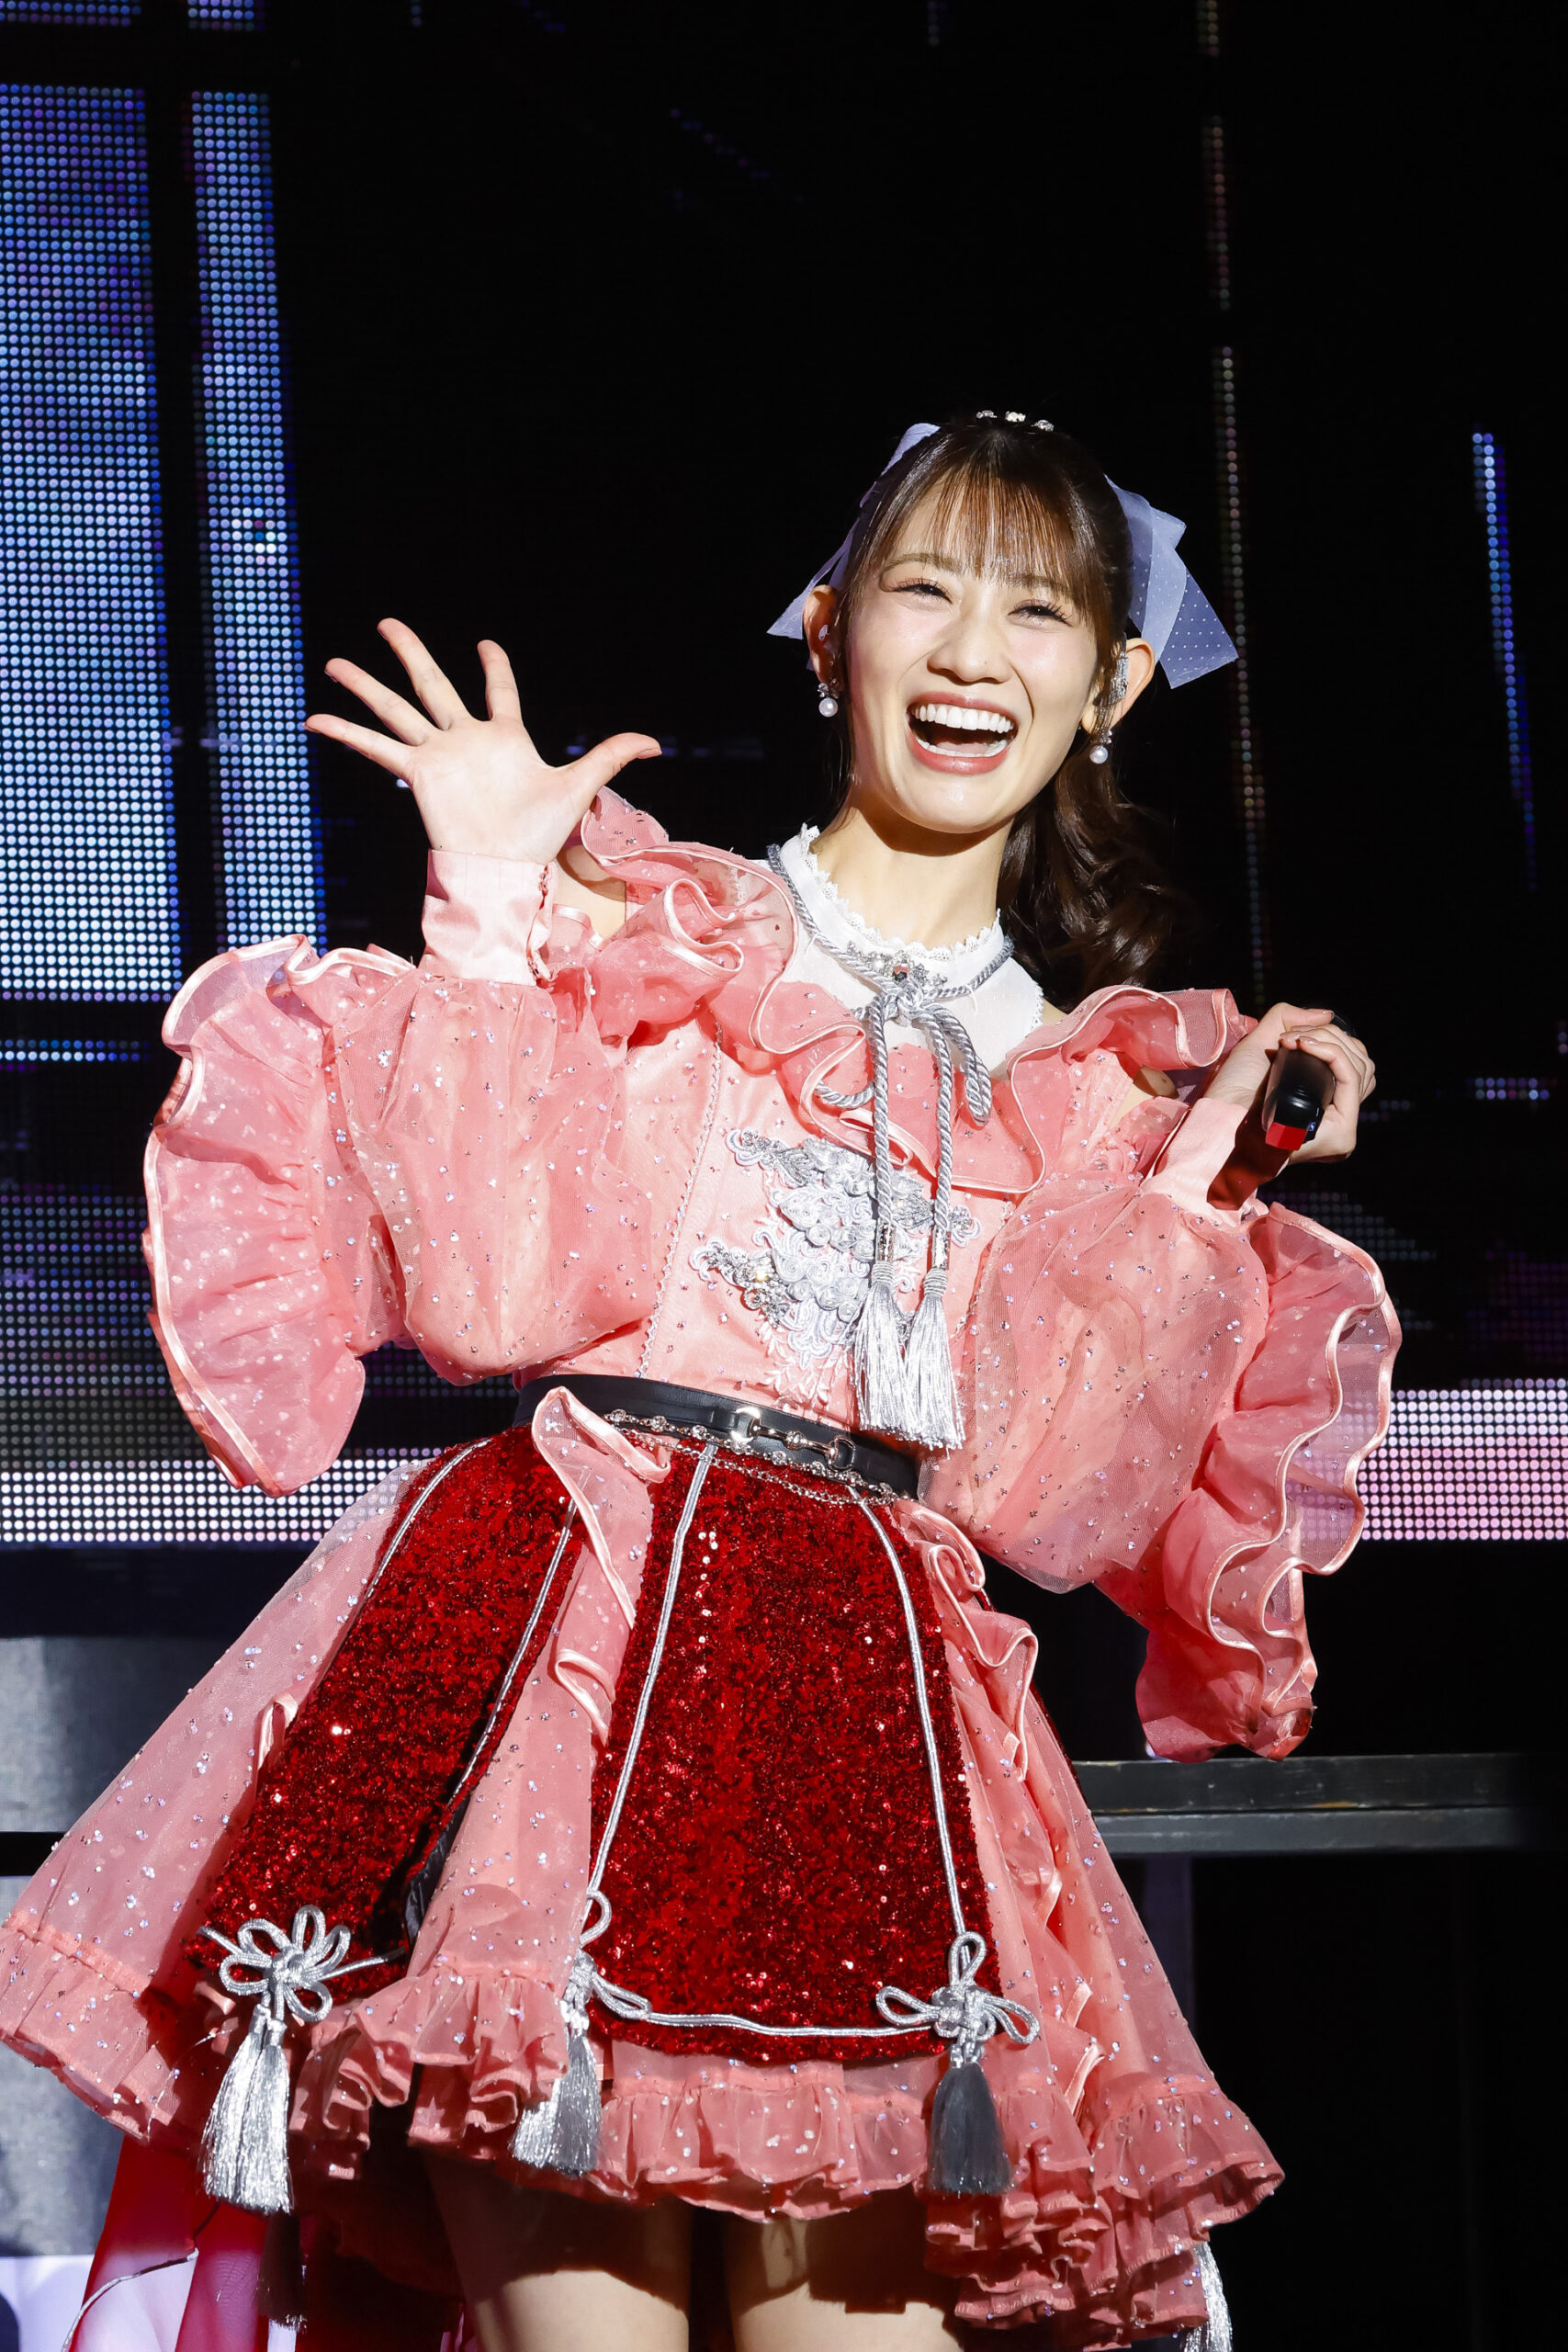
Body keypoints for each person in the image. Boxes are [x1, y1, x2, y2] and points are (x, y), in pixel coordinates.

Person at [1, 413, 1395, 2351]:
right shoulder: (659, 927)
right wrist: (492, 902)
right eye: (922, 588)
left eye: (1034, 610)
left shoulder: (1099, 1088)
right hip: (551, 1661)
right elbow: (487, 1292)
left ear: (1111, 682)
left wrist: (1197, 1191)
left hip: (852, 1712)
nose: (969, 650)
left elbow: (1040, 1498)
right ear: (830, 634)